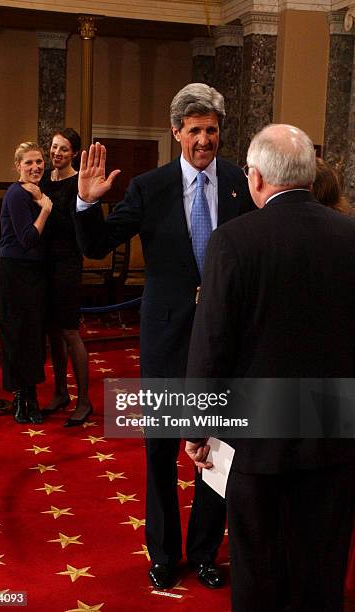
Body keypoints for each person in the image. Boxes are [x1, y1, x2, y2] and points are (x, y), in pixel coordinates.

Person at [74, 83, 255, 589]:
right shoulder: (149, 187)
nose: (204, 139)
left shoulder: (241, 183)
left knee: (216, 449)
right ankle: (163, 552)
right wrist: (87, 205)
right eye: (194, 130)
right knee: (160, 450)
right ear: (176, 131)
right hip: (165, 338)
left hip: (223, 340)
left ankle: (203, 551)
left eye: (212, 130)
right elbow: (97, 245)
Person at [185, 124, 355, 611]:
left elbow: (212, 342)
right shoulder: (350, 235)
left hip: (258, 438)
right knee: (321, 570)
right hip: (335, 433)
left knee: (258, 570)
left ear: (255, 178)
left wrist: (196, 428)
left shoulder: (233, 241)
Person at [39, 128, 92, 427]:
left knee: (70, 332)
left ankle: (84, 399)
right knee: (52, 333)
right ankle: (61, 393)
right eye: (54, 147)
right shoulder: (44, 178)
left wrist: (43, 204)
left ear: (73, 153)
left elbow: (74, 225)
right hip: (44, 264)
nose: (56, 152)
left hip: (68, 263)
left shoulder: (77, 182)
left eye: (63, 149)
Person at [0, 142, 52, 424]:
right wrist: (45, 210)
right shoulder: (17, 193)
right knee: (17, 335)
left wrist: (43, 201)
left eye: (39, 162)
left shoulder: (39, 193)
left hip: (35, 272)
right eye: (29, 162)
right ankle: (21, 397)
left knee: (33, 337)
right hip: (14, 271)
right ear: (18, 166)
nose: (35, 167)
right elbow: (28, 240)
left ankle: (31, 396)